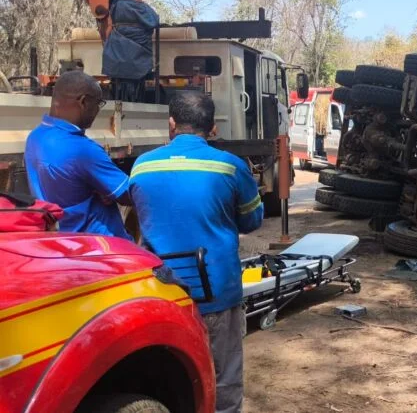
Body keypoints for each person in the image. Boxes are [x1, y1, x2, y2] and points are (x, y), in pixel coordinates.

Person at [129, 92, 264, 413]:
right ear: (213, 128)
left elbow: (140, 214)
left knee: (168, 375)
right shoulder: (230, 168)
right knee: (223, 379)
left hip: (161, 293)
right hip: (216, 292)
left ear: (171, 124)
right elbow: (253, 220)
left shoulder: (141, 166)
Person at [24, 70, 132, 239]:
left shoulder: (35, 138)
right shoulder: (83, 150)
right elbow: (128, 195)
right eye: (98, 103)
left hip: (60, 244)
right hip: (101, 249)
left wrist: (96, 187)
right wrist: (106, 189)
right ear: (83, 102)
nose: (98, 110)